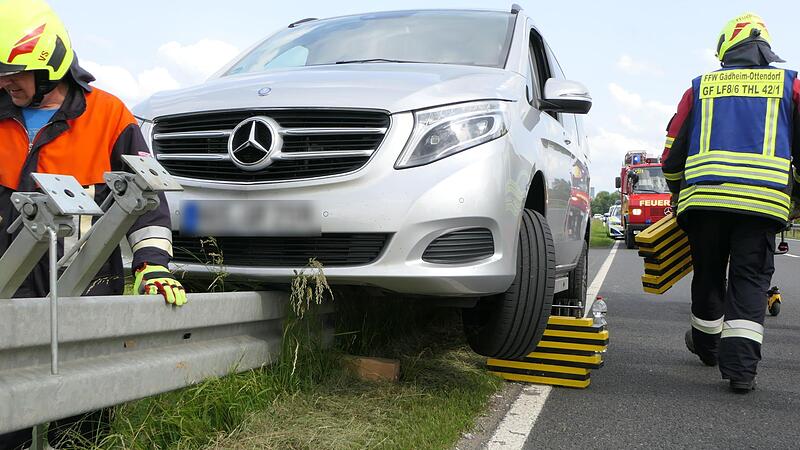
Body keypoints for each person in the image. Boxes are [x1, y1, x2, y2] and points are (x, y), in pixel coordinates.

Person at [0, 0, 186, 447]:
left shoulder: (108, 116)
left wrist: (153, 262)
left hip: (86, 279)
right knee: (9, 412)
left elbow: (146, 199)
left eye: (15, 71)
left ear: (51, 65)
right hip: (9, 281)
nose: (5, 82)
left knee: (81, 419)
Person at [661, 13, 800, 393]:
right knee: (751, 281)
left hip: (704, 202)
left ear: (726, 46)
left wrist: (677, 193)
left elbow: (672, 155)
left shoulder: (701, 87)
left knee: (707, 273)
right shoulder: (791, 86)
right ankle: (740, 371)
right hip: (762, 205)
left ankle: (707, 347)